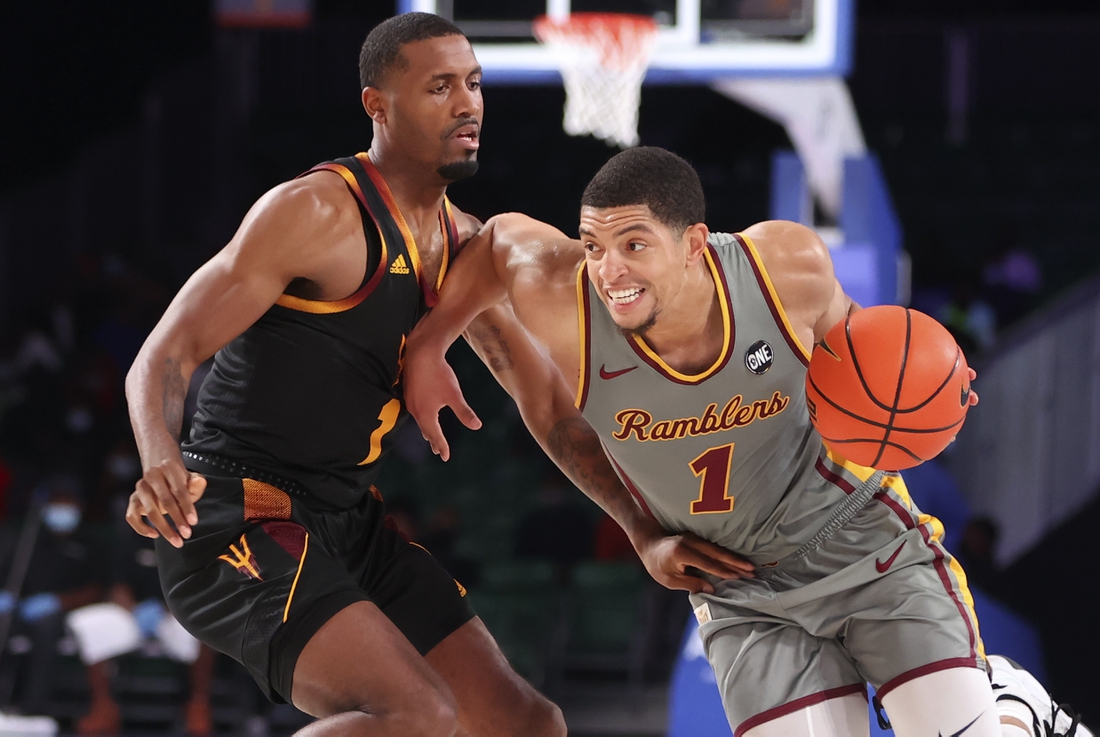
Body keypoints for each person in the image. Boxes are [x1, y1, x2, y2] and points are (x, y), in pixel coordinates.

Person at [403, 147, 1091, 737]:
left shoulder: (783, 269)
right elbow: (491, 243)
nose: (609, 270)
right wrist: (430, 344)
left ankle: (1009, 707)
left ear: (695, 243)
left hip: (861, 546)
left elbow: (864, 369)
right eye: (593, 246)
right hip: (739, 590)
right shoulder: (564, 295)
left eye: (634, 245)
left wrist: (918, 392)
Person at [121, 13, 569, 736]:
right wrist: (158, 458)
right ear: (377, 105)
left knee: (526, 722)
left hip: (347, 520)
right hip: (236, 511)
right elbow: (164, 354)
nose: (468, 103)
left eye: (474, 83)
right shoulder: (316, 211)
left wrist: (648, 524)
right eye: (441, 86)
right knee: (414, 713)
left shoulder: (465, 247)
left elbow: (552, 410)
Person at [69, 532, 217, 736]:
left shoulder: (192, 541)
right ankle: (103, 707)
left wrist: (167, 609)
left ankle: (198, 706)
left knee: (205, 626)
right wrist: (134, 610)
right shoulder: (129, 541)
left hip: (175, 614)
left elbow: (198, 588)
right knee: (91, 624)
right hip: (134, 614)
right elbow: (117, 586)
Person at [0, 479, 103, 716]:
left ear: (79, 505)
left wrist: (59, 602)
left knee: (46, 628)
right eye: (56, 501)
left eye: (67, 502)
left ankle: (33, 708)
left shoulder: (90, 543)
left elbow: (98, 588)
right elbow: (9, 577)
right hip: (22, 607)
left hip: (66, 613)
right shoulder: (29, 538)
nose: (61, 508)